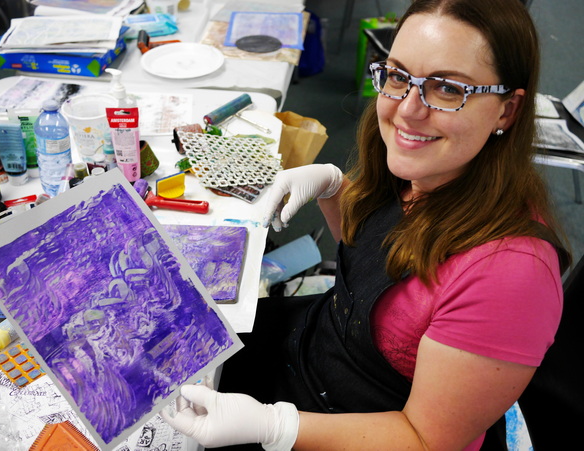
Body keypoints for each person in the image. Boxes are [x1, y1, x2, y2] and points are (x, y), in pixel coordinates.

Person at [160, 0, 572, 449]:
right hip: (309, 349)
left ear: (507, 112)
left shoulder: (513, 277)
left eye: (449, 89)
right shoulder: (421, 171)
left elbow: (427, 439)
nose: (408, 111)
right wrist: (335, 191)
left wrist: (275, 426)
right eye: (398, 77)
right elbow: (374, 266)